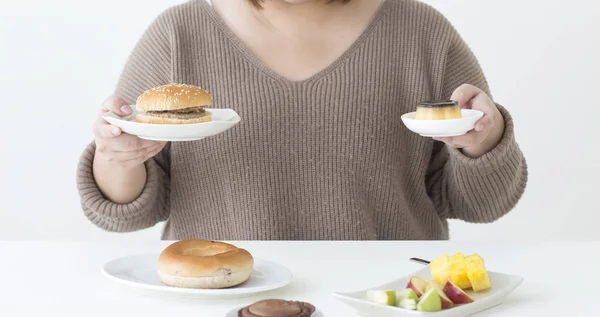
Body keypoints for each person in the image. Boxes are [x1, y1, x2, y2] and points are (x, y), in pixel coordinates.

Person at [77, 0, 528, 240]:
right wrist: (118, 156)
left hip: (387, 305)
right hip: (216, 300)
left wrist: (483, 141)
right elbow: (125, 215)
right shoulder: (178, 34)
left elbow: (482, 204)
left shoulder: (423, 33)